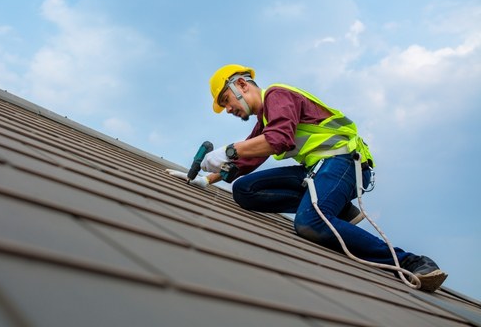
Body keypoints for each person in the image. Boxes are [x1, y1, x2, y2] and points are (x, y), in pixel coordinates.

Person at [168, 64, 448, 292]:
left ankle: (412, 262)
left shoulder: (277, 95)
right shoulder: (264, 120)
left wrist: (229, 149)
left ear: (242, 85)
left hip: (344, 163)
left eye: (226, 101)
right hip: (319, 170)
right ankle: (336, 208)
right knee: (244, 190)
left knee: (310, 222)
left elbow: (276, 140)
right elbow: (246, 159)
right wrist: (207, 180)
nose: (228, 109)